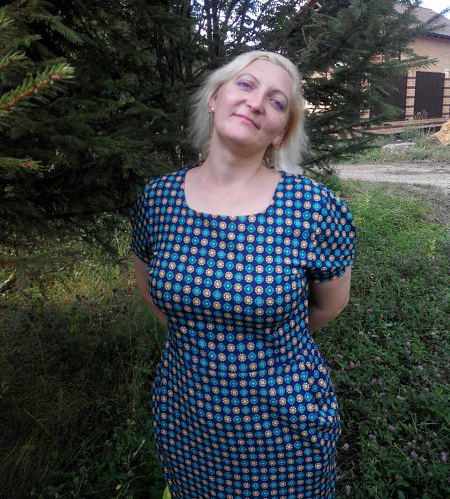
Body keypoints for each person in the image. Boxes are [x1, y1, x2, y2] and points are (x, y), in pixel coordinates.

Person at [131, 50, 356, 499]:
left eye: (277, 101)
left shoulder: (313, 208)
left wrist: (263, 343)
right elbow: (152, 293)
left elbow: (330, 305)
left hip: (285, 435)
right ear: (216, 98)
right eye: (247, 85)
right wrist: (209, 338)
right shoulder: (157, 201)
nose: (256, 103)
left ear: (281, 133)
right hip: (187, 425)